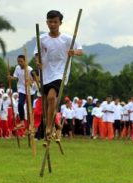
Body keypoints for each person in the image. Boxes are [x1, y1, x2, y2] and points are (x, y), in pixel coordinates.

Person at [34, 10, 83, 141]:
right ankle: (55, 123)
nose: (52, 24)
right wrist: (37, 61)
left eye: (55, 22)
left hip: (60, 73)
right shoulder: (42, 38)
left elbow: (81, 50)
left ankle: (48, 127)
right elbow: (36, 54)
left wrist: (74, 52)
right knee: (45, 105)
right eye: (50, 22)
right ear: (47, 23)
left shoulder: (67, 39)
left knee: (51, 98)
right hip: (46, 73)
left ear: (60, 23)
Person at [8, 55, 35, 129]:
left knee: (30, 108)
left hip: (30, 90)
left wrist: (29, 82)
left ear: (25, 61)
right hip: (21, 89)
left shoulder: (30, 69)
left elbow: (34, 80)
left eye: (21, 61)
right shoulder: (17, 68)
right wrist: (11, 78)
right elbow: (16, 77)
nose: (19, 63)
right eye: (18, 61)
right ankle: (22, 122)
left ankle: (30, 124)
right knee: (20, 104)